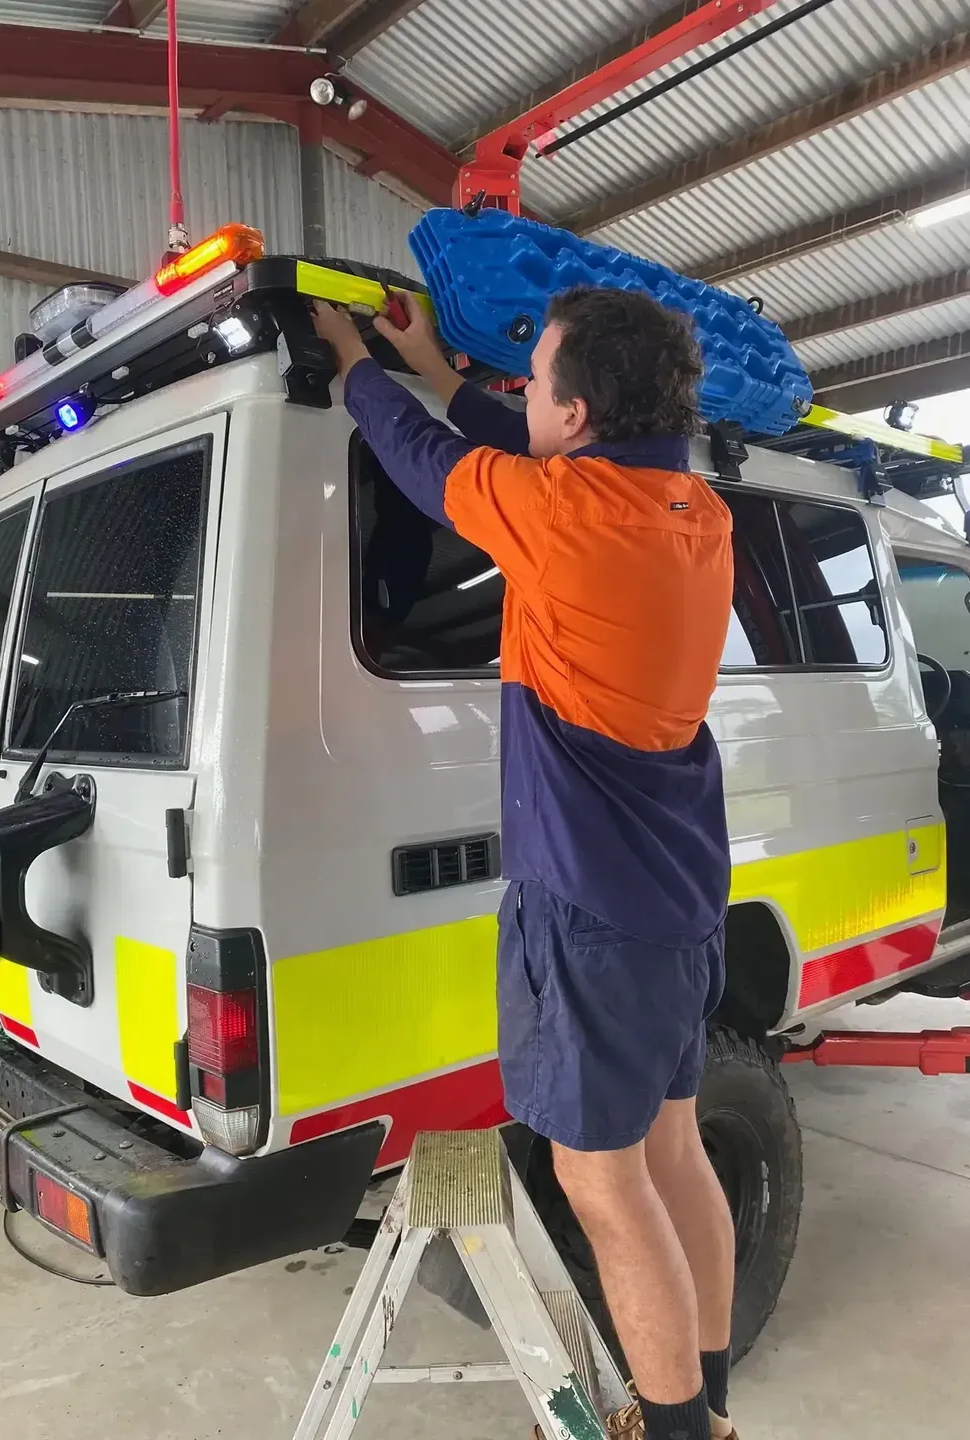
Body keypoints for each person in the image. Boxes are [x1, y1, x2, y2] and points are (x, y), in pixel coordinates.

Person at [313, 286, 737, 1440]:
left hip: (589, 906)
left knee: (603, 1185)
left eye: (533, 377)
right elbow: (514, 448)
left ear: (579, 411)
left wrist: (358, 364)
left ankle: (677, 1426)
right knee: (672, 1149)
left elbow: (418, 458)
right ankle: (712, 1387)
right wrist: (437, 368)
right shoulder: (693, 510)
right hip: (678, 898)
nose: (521, 391)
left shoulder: (559, 517)